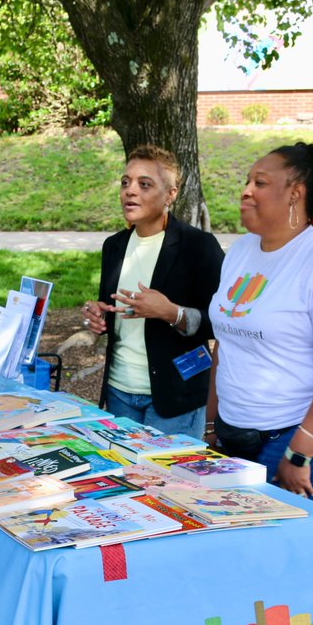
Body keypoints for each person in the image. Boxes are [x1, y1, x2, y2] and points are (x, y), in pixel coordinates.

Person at [208, 143, 313, 515]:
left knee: (299, 550)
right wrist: (212, 424)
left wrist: (299, 453)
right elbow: (227, 343)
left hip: (301, 434)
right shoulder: (240, 252)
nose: (246, 190)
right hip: (238, 432)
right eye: (247, 181)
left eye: (260, 183)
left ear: (295, 193)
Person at [81, 145, 224, 437]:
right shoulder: (114, 246)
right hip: (119, 391)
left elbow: (223, 322)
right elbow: (116, 311)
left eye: (144, 184)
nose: (130, 191)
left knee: (167, 483)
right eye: (125, 182)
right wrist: (98, 316)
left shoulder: (198, 246)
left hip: (174, 398)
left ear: (171, 194)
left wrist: (171, 313)